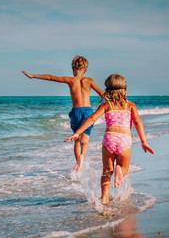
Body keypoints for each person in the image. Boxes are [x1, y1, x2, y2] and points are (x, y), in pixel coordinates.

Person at [65, 74, 154, 204]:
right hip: (125, 139)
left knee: (106, 171)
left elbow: (91, 119)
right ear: (126, 90)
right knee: (123, 168)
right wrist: (144, 141)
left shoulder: (106, 106)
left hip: (109, 139)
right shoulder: (130, 106)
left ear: (106, 91)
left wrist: (78, 132)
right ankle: (119, 170)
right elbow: (138, 122)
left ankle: (104, 198)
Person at [22, 55, 104, 172]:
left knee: (76, 140)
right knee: (84, 141)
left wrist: (33, 76)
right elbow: (102, 94)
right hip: (88, 112)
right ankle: (82, 157)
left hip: (76, 112)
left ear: (73, 69)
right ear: (85, 70)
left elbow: (51, 77)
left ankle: (77, 163)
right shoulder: (89, 81)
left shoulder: (70, 80)